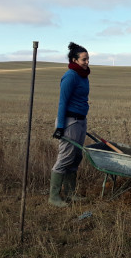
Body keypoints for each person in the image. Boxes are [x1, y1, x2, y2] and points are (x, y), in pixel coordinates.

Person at [49, 42, 91, 207]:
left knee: (76, 157)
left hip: (81, 120)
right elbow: (62, 102)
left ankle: (70, 193)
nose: (87, 62)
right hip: (69, 121)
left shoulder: (83, 75)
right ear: (74, 60)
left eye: (88, 59)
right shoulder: (70, 76)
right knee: (65, 157)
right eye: (84, 59)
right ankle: (54, 197)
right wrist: (60, 127)